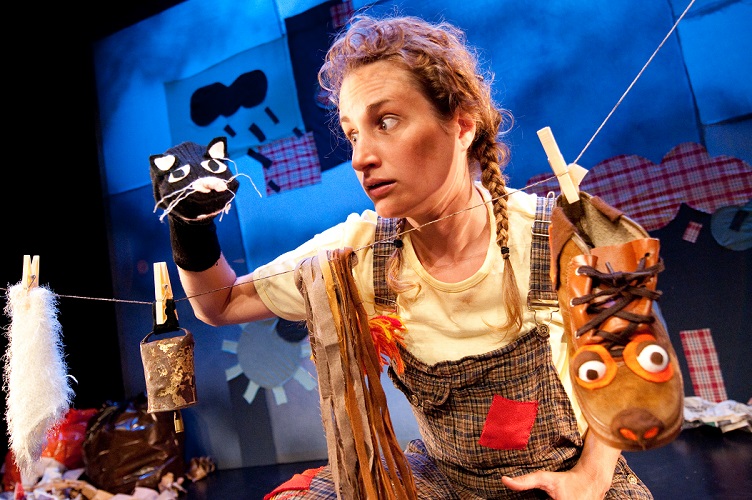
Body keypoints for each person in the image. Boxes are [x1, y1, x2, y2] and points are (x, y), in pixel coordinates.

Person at [155, 13, 654, 499]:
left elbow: (627, 359)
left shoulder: (552, 236)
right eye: (353, 133)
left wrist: (590, 478)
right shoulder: (360, 252)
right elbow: (219, 303)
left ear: (462, 125)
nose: (360, 158)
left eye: (387, 121)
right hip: (444, 483)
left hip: (564, 479)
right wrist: (189, 224)